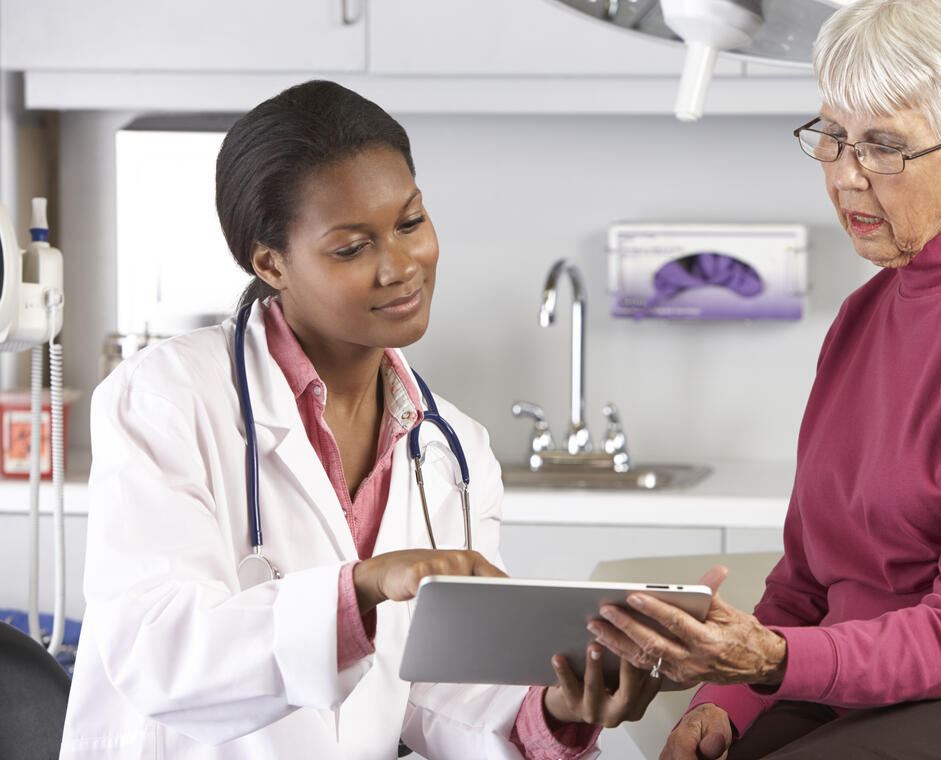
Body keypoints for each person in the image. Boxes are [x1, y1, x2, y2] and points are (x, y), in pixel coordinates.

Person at [588, 1, 941, 758]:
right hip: (880, 689)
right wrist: (724, 706)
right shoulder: (864, 315)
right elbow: (808, 580)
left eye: (883, 147)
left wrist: (774, 661)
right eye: (833, 137)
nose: (845, 176)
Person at [59, 80, 659, 760]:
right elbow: (158, 654)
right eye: (351, 248)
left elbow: (439, 694)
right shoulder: (166, 397)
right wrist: (365, 587)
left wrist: (556, 709)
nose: (401, 267)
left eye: (410, 223)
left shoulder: (453, 450)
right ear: (269, 262)